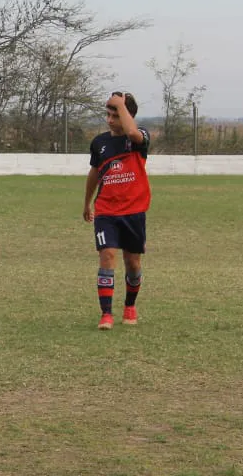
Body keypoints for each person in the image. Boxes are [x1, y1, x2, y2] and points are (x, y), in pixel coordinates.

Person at [83, 92, 150, 330]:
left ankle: (130, 305)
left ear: (127, 115)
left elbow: (132, 133)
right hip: (106, 211)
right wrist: (87, 202)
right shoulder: (99, 143)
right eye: (108, 114)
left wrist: (121, 104)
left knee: (132, 263)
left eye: (116, 114)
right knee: (107, 256)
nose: (110, 120)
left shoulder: (140, 137)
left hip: (134, 211)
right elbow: (93, 174)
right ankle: (106, 313)